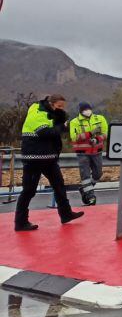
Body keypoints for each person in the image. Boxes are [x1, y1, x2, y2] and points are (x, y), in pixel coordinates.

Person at [14, 95, 84, 232]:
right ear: (51, 104)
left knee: (59, 186)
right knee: (29, 190)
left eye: (63, 107)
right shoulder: (37, 112)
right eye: (59, 107)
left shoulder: (49, 114)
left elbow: (53, 128)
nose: (61, 109)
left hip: (49, 158)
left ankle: (66, 214)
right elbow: (45, 132)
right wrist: (62, 126)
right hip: (34, 158)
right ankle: (20, 222)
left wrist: (62, 122)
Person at [68, 102, 108, 205]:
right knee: (85, 176)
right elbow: (74, 137)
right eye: (84, 110)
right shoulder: (75, 122)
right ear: (80, 111)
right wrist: (90, 133)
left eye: (88, 109)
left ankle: (84, 188)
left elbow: (105, 133)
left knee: (98, 174)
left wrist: (97, 139)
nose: (87, 111)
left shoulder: (99, 118)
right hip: (82, 153)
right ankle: (91, 197)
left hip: (97, 151)